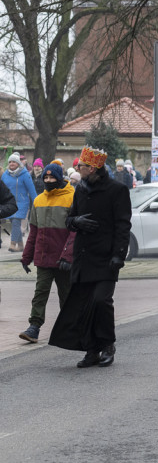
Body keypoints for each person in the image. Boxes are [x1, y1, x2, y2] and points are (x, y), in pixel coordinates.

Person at [48, 146, 132, 368]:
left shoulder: (117, 190)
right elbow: (69, 219)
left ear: (93, 168)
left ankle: (107, 345)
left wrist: (118, 255)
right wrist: (77, 222)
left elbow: (123, 226)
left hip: (106, 258)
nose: (77, 168)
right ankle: (91, 349)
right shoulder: (80, 190)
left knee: (101, 301)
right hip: (83, 258)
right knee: (84, 305)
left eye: (81, 166)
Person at [18, 162, 74, 344]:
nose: (49, 181)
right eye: (46, 178)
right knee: (40, 293)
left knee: (66, 294)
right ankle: (34, 327)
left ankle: (70, 327)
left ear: (59, 178)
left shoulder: (72, 198)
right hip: (43, 257)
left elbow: (75, 232)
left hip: (63, 259)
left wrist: (68, 256)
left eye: (52, 178)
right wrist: (26, 257)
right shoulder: (38, 200)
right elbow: (33, 231)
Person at [2, 153, 35, 253]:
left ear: (18, 163)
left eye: (14, 162)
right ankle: (20, 245)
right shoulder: (5, 174)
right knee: (13, 222)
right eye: (10, 162)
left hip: (22, 203)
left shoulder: (25, 175)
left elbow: (31, 190)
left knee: (16, 222)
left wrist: (37, 203)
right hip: (9, 203)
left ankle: (13, 244)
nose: (12, 163)